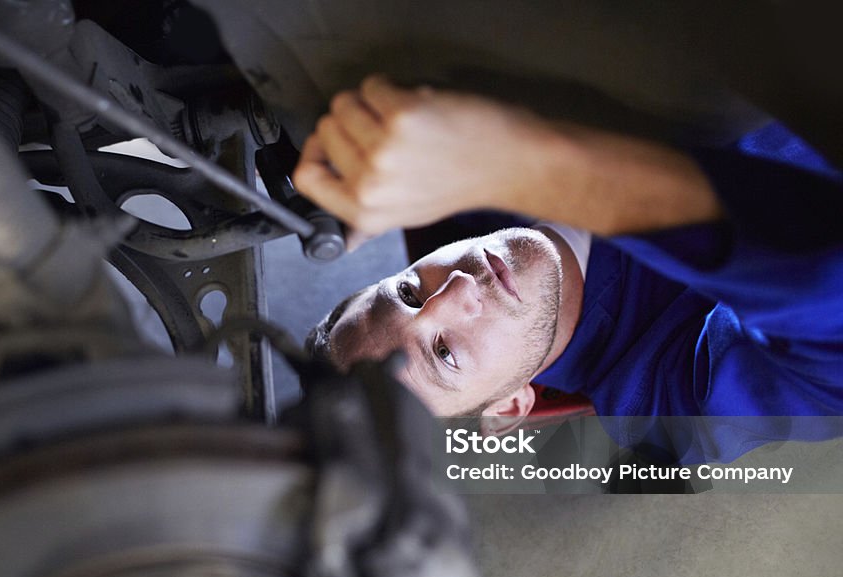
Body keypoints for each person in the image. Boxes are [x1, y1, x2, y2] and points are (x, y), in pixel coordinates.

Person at [293, 76, 843, 463]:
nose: (456, 287)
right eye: (445, 351)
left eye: (411, 291)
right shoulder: (665, 407)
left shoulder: (434, 166)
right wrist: (534, 166)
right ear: (507, 410)